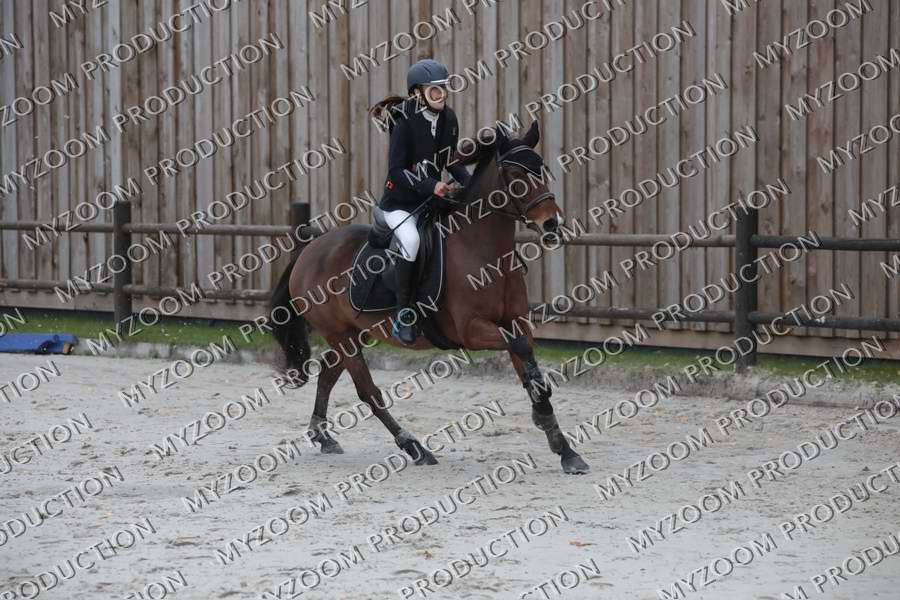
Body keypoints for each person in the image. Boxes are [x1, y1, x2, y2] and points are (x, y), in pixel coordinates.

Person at [368, 58, 471, 345]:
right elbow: (396, 171)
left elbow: (450, 159)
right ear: (417, 93)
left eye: (443, 88)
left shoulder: (449, 118)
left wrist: (469, 183)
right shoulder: (403, 120)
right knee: (411, 241)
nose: (441, 94)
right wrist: (431, 185)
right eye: (434, 90)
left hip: (430, 203)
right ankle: (403, 313)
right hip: (400, 204)